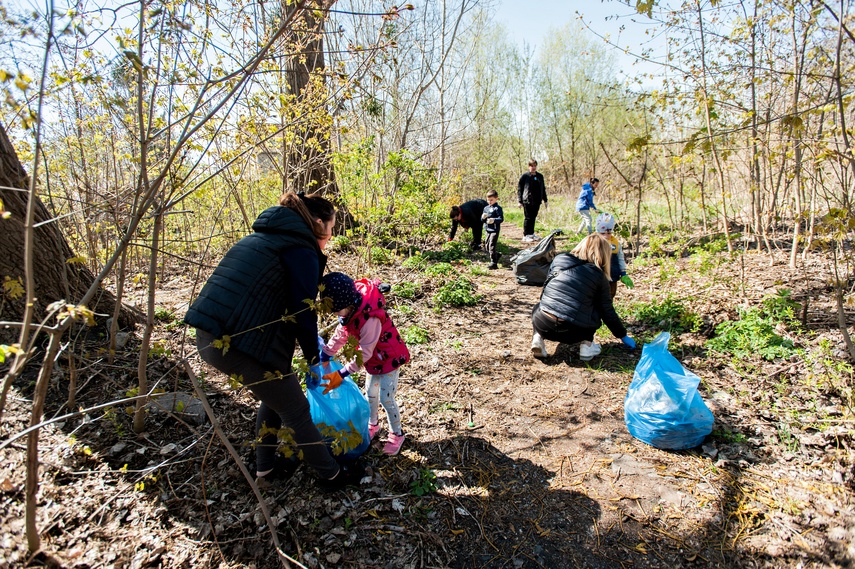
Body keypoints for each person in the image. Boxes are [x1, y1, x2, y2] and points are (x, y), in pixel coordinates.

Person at [184, 191, 364, 488]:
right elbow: (303, 311)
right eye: (331, 229)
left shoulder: (268, 236)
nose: (330, 237)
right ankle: (331, 474)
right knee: (296, 409)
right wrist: (315, 361)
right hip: (233, 343)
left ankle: (265, 471)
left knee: (277, 398)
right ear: (318, 223)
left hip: (212, 335)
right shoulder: (301, 249)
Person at [319, 273, 411, 456]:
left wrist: (342, 373)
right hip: (374, 361)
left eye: (337, 310)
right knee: (370, 394)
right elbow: (341, 333)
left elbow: (364, 353)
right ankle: (373, 424)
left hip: (389, 359)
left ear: (349, 303)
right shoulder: (350, 314)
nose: (336, 315)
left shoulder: (370, 319)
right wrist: (327, 353)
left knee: (386, 398)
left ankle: (397, 433)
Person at [530, 233, 636, 361]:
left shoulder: (559, 259)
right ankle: (587, 346)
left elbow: (547, 291)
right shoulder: (599, 276)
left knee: (539, 306)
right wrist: (622, 335)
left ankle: (538, 338)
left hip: (544, 324)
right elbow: (607, 311)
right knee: (596, 308)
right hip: (575, 332)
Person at [595, 212, 634, 298]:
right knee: (598, 296)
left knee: (610, 295)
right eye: (602, 234)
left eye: (608, 233)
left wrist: (623, 273)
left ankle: (608, 310)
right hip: (597, 276)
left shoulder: (615, 244)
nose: (606, 236)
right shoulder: (593, 242)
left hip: (613, 274)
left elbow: (620, 257)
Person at [517, 159, 547, 242]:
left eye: (534, 166)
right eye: (531, 166)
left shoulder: (540, 176)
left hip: (537, 201)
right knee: (528, 218)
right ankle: (526, 235)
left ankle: (531, 233)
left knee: (533, 217)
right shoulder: (525, 176)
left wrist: (545, 200)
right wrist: (520, 201)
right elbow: (520, 189)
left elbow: (543, 188)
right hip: (527, 200)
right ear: (529, 166)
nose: (533, 167)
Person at [481, 190, 504, 269]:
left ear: (496, 199)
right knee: (487, 246)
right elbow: (483, 220)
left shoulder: (498, 208)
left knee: (491, 245)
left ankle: (494, 263)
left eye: (491, 200)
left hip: (494, 230)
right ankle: (496, 255)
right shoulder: (486, 208)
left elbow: (501, 219)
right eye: (488, 200)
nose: (489, 202)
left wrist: (494, 220)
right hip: (487, 229)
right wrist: (483, 218)